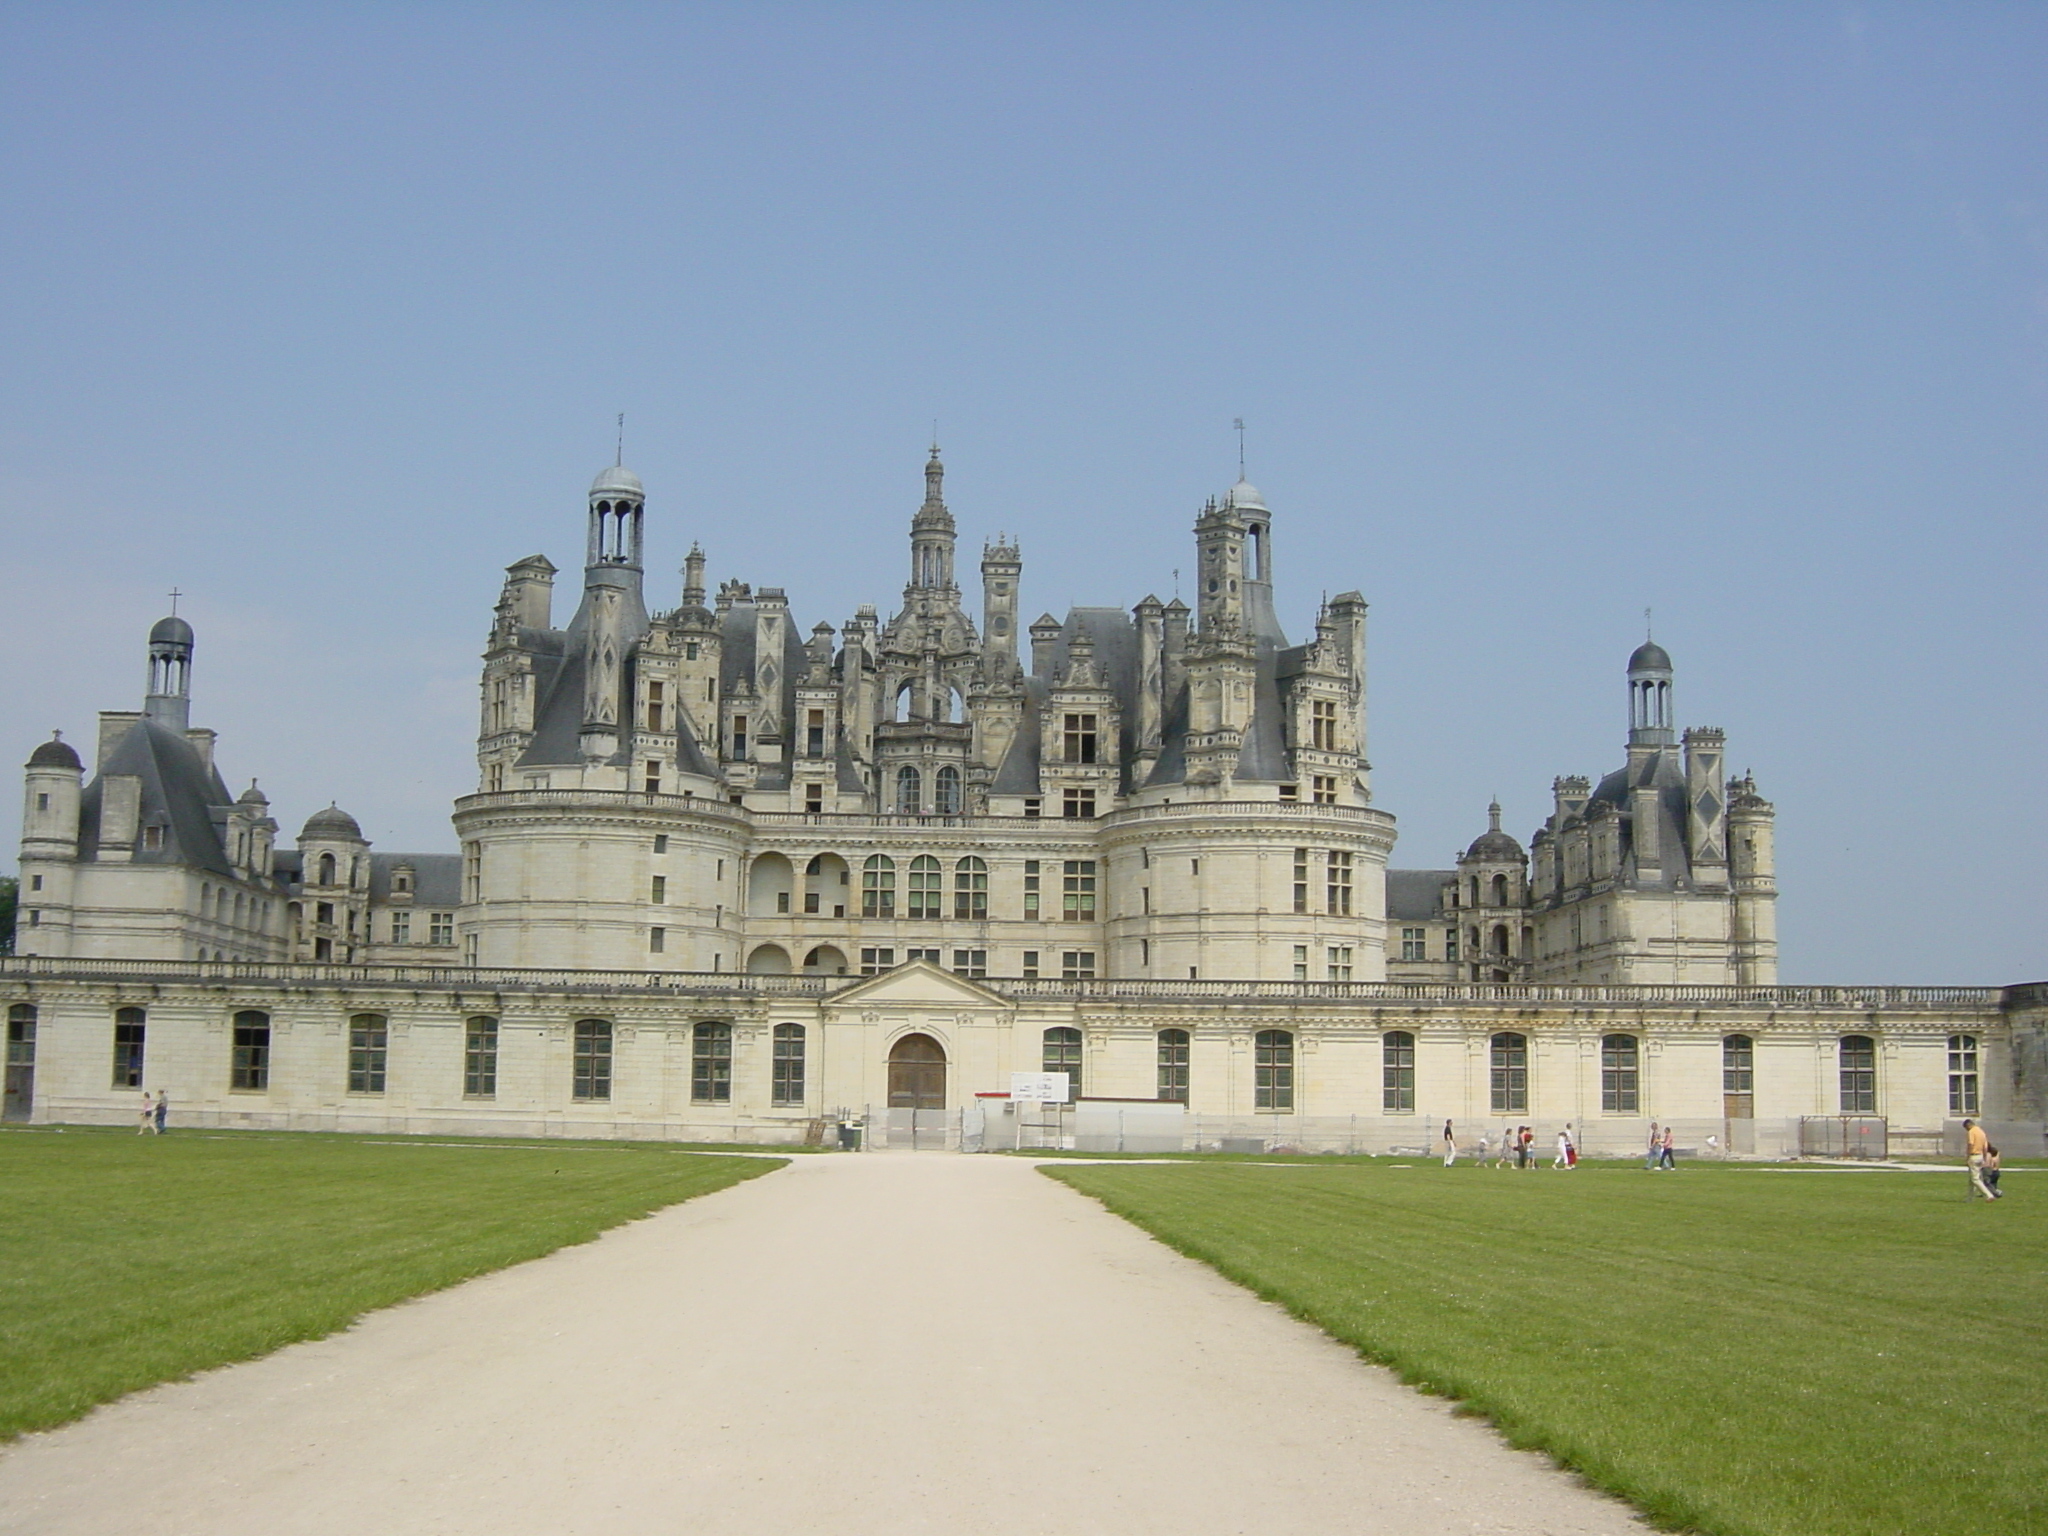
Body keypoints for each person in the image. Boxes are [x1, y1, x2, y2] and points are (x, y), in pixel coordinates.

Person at [1964, 1119, 1994, 1200]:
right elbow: (1985, 1146)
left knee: (1975, 1179)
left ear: (1968, 1125)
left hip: (1974, 1155)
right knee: (1972, 1178)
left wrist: (1967, 1156)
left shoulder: (1971, 1132)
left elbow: (1970, 1144)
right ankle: (1970, 1198)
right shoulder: (1981, 1132)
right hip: (1980, 1156)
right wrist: (1984, 1157)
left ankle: (1989, 1195)